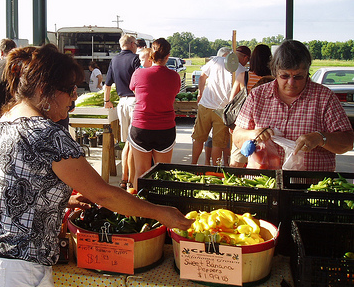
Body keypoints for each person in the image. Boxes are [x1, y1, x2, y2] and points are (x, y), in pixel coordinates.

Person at [0, 44, 192, 287]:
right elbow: (103, 195)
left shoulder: (6, 118)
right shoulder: (47, 134)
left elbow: (16, 183)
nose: (74, 98)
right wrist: (163, 214)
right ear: (45, 90)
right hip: (16, 270)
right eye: (70, 91)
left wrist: (63, 198)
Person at [233, 40, 354, 171]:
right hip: (263, 183)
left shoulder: (324, 98)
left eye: (298, 77)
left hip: (309, 186)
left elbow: (347, 142)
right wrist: (253, 134)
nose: (291, 82)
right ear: (275, 72)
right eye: (284, 76)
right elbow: (237, 137)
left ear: (307, 72)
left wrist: (321, 138)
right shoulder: (258, 95)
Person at [129, 38, 180, 187]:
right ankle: (159, 206)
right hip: (165, 129)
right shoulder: (175, 77)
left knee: (140, 171)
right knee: (162, 173)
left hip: (141, 127)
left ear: (151, 54)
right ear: (168, 56)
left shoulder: (139, 74)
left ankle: (137, 207)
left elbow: (133, 88)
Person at [191, 46, 251, 166]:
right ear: (245, 58)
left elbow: (202, 77)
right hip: (223, 111)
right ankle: (214, 169)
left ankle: (193, 165)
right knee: (218, 144)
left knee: (199, 138)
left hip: (206, 105)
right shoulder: (241, 71)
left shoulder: (216, 60)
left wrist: (200, 93)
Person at [104, 34, 140, 189]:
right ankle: (131, 179)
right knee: (134, 143)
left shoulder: (114, 60)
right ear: (132, 44)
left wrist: (106, 101)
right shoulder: (135, 59)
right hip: (134, 101)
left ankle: (124, 178)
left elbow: (107, 85)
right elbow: (140, 82)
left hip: (121, 103)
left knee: (126, 142)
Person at [228, 44, 273, 167]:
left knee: (236, 163)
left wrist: (233, 124)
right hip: (268, 127)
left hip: (246, 125)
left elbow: (232, 101)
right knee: (261, 165)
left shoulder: (244, 76)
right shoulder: (274, 79)